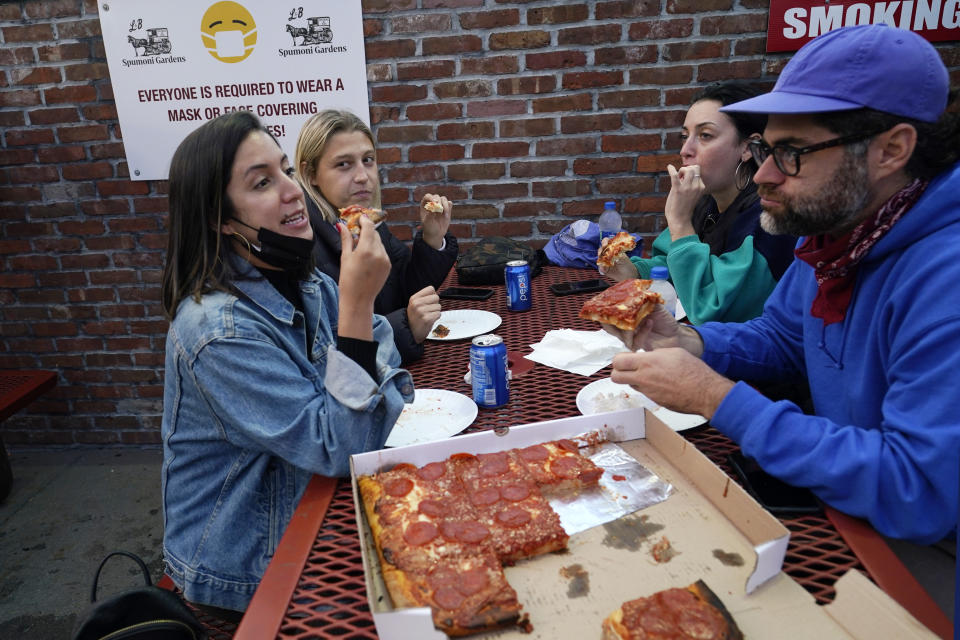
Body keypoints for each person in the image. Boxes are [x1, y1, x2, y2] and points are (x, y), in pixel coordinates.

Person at [605, 24, 960, 543]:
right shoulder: (837, 235)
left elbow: (919, 490)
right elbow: (784, 337)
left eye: (792, 152)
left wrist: (716, 398)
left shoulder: (944, 279)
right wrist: (691, 341)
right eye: (766, 149)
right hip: (840, 505)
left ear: (891, 150)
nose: (766, 174)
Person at [159, 111, 413, 616]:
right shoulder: (215, 331)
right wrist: (358, 306)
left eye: (285, 171)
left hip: (316, 503)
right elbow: (340, 446)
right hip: (246, 572)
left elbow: (383, 341)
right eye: (261, 183)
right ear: (219, 219)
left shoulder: (303, 279)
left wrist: (361, 329)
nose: (291, 191)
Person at [605, 82, 798, 324]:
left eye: (705, 135)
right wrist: (633, 271)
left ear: (748, 148)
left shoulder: (768, 218)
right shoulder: (705, 202)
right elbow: (672, 266)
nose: (686, 150)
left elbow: (710, 309)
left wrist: (680, 222)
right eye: (685, 136)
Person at [295, 109, 459, 363]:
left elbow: (406, 290)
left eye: (368, 160)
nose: (363, 176)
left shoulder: (365, 222)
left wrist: (432, 239)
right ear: (310, 174)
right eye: (343, 164)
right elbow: (326, 355)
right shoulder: (302, 248)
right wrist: (406, 328)